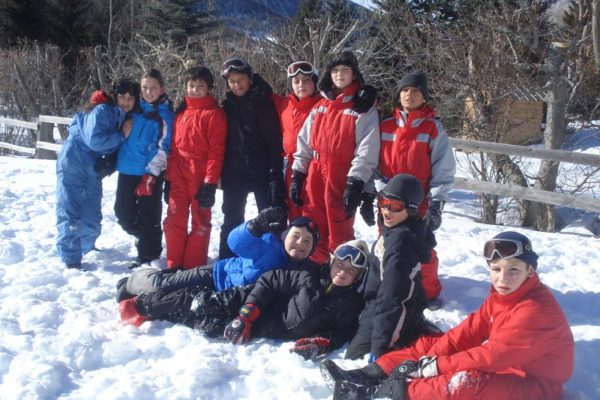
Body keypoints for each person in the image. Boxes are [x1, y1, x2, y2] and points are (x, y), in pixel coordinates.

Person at [321, 231, 575, 400]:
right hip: (507, 366)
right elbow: (467, 333)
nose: (503, 278)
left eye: (513, 269)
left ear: (530, 270)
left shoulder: (536, 310)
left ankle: (393, 392)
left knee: (466, 381)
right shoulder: (505, 296)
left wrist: (435, 367)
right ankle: (368, 375)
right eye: (496, 269)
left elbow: (491, 357)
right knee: (431, 344)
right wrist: (432, 356)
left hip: (535, 386)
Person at [117, 209, 317, 327]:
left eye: (307, 241)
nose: (300, 243)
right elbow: (235, 243)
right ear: (285, 236)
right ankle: (131, 281)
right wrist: (254, 227)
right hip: (215, 275)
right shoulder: (269, 245)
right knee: (163, 285)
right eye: (296, 236)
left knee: (171, 301)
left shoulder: (300, 271)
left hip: (221, 297)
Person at [361, 71, 455, 310]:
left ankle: (429, 292)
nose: (409, 95)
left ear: (423, 97)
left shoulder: (432, 129)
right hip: (388, 201)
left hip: (419, 202)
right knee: (387, 245)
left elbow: (443, 169)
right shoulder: (385, 126)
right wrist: (371, 193)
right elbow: (373, 163)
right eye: (405, 91)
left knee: (421, 247)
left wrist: (436, 203)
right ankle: (388, 286)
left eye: (415, 91)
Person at [290, 49, 380, 265]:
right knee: (312, 225)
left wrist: (355, 182)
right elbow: (304, 142)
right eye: (335, 70)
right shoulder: (321, 105)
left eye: (345, 70)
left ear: (354, 74)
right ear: (329, 74)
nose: (340, 74)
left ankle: (341, 275)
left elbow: (367, 150)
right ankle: (315, 270)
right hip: (315, 172)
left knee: (339, 228)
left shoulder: (362, 108)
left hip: (341, 175)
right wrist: (298, 174)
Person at [345, 174, 438, 361]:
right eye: (383, 201)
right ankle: (416, 329)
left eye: (395, 206)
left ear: (410, 209)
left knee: (353, 358)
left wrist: (380, 347)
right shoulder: (400, 230)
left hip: (382, 314)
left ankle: (413, 339)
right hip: (383, 309)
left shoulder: (399, 244)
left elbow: (393, 298)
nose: (386, 210)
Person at [56, 79, 139, 269]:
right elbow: (94, 140)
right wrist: (121, 136)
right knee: (70, 210)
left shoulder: (123, 115)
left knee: (92, 213)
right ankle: (70, 258)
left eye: (130, 98)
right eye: (122, 97)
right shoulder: (103, 110)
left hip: (93, 164)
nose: (126, 102)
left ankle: (87, 247)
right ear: (114, 96)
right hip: (74, 160)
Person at [218, 57, 285, 259]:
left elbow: (274, 142)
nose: (237, 84)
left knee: (269, 218)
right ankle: (227, 259)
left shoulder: (263, 104)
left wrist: (274, 175)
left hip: (261, 171)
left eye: (241, 79)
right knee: (231, 218)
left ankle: (270, 259)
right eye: (232, 81)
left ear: (250, 80)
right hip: (234, 172)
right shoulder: (226, 106)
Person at [162, 66, 227, 269]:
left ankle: (193, 265)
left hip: (200, 172)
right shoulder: (181, 112)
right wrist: (168, 178)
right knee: (174, 218)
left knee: (200, 220)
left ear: (209, 88)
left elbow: (217, 152)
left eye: (200, 86)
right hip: (178, 171)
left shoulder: (215, 114)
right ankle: (174, 263)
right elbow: (173, 147)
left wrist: (209, 182)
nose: (195, 90)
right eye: (191, 86)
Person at [114, 68, 174, 268]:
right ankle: (144, 237)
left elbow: (162, 147)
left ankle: (148, 255)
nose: (149, 92)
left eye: (153, 88)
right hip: (127, 170)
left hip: (150, 173)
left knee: (150, 214)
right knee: (123, 213)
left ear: (161, 89)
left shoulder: (164, 116)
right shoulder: (134, 109)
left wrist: (151, 175)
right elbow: (115, 101)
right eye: (145, 88)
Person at [271, 61, 322, 221]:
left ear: (315, 82)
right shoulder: (284, 104)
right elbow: (261, 93)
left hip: (315, 167)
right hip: (291, 167)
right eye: (296, 81)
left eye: (306, 80)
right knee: (293, 210)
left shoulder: (324, 104)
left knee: (313, 213)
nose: (301, 85)